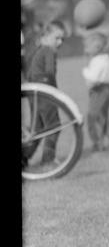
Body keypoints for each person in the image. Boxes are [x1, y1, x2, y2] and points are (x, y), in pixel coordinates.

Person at [26, 19, 68, 164]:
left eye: (62, 39)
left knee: (36, 130)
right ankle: (48, 160)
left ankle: (24, 159)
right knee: (54, 127)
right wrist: (55, 94)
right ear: (45, 36)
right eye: (57, 38)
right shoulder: (48, 51)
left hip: (34, 95)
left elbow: (30, 75)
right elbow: (49, 73)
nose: (60, 42)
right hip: (45, 96)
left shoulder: (38, 51)